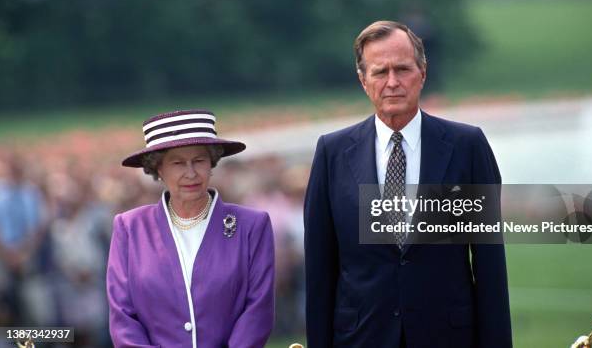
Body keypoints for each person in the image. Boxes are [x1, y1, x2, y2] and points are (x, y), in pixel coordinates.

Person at [304, 21, 512, 347]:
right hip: (360, 338)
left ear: (423, 73)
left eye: (402, 69)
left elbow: (490, 267)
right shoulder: (332, 153)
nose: (392, 82)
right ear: (363, 80)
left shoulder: (466, 146)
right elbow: (319, 269)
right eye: (379, 72)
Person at [107, 109, 275, 348]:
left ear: (212, 163)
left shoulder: (251, 226)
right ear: (158, 169)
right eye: (177, 163)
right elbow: (122, 316)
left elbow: (258, 309)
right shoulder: (129, 227)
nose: (191, 173)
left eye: (199, 161)